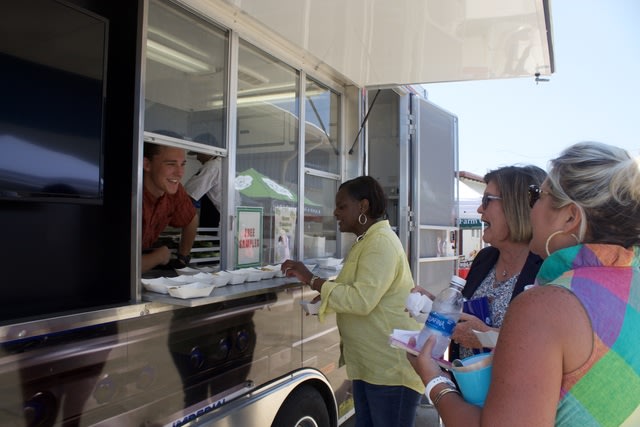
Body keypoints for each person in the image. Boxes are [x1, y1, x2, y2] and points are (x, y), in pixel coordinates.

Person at [408, 141, 640, 425]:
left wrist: (433, 379)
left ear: (570, 216)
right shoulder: (629, 284)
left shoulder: (545, 303)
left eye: (537, 196)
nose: (532, 209)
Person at [281, 176, 424, 427]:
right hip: (370, 366)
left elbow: (361, 300)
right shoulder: (367, 241)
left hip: (390, 370)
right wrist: (326, 296)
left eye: (342, 206)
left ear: (363, 206)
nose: (335, 213)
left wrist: (312, 279)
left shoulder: (380, 243)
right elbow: (355, 290)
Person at [449, 165, 546, 360]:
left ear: (515, 206)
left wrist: (486, 337)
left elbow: (545, 345)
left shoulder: (547, 269)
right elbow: (465, 315)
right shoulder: (485, 258)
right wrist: (437, 306)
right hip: (463, 376)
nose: (480, 209)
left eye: (487, 200)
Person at [141, 142, 198, 273]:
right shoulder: (133, 195)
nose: (180, 173)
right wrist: (158, 257)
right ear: (147, 164)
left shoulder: (175, 191)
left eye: (182, 164)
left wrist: (183, 257)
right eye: (171, 164)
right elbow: (119, 267)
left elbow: (191, 219)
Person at [184, 133, 223, 228]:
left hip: (217, 222)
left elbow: (188, 195)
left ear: (206, 150)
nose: (197, 158)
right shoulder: (223, 163)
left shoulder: (212, 166)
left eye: (198, 153)